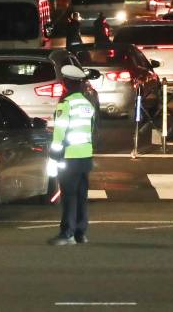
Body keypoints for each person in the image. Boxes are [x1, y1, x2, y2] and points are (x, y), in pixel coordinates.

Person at [47, 65, 98, 246]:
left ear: (67, 83)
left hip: (69, 156)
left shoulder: (66, 104)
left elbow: (60, 131)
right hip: (85, 156)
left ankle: (66, 233)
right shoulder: (87, 104)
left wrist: (54, 152)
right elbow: (91, 130)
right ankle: (80, 233)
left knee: (68, 196)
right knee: (81, 195)